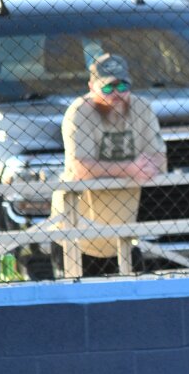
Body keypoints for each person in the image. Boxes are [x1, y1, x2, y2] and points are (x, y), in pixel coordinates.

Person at [52, 52, 167, 275]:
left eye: (123, 86)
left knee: (134, 293)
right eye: (107, 88)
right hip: (77, 235)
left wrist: (146, 166)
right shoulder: (78, 112)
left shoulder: (142, 108)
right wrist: (131, 169)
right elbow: (81, 168)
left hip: (124, 234)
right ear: (91, 86)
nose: (116, 94)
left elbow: (159, 158)